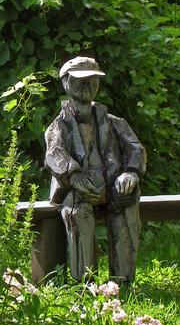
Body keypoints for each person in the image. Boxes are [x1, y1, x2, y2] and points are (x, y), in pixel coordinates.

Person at [44, 56, 146, 283]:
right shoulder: (59, 125)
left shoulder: (114, 122)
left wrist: (131, 172)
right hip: (77, 190)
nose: (87, 86)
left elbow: (136, 148)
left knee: (128, 202)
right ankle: (85, 283)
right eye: (79, 80)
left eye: (93, 81)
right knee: (78, 213)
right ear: (65, 83)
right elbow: (54, 154)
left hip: (111, 187)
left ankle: (123, 281)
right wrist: (74, 176)